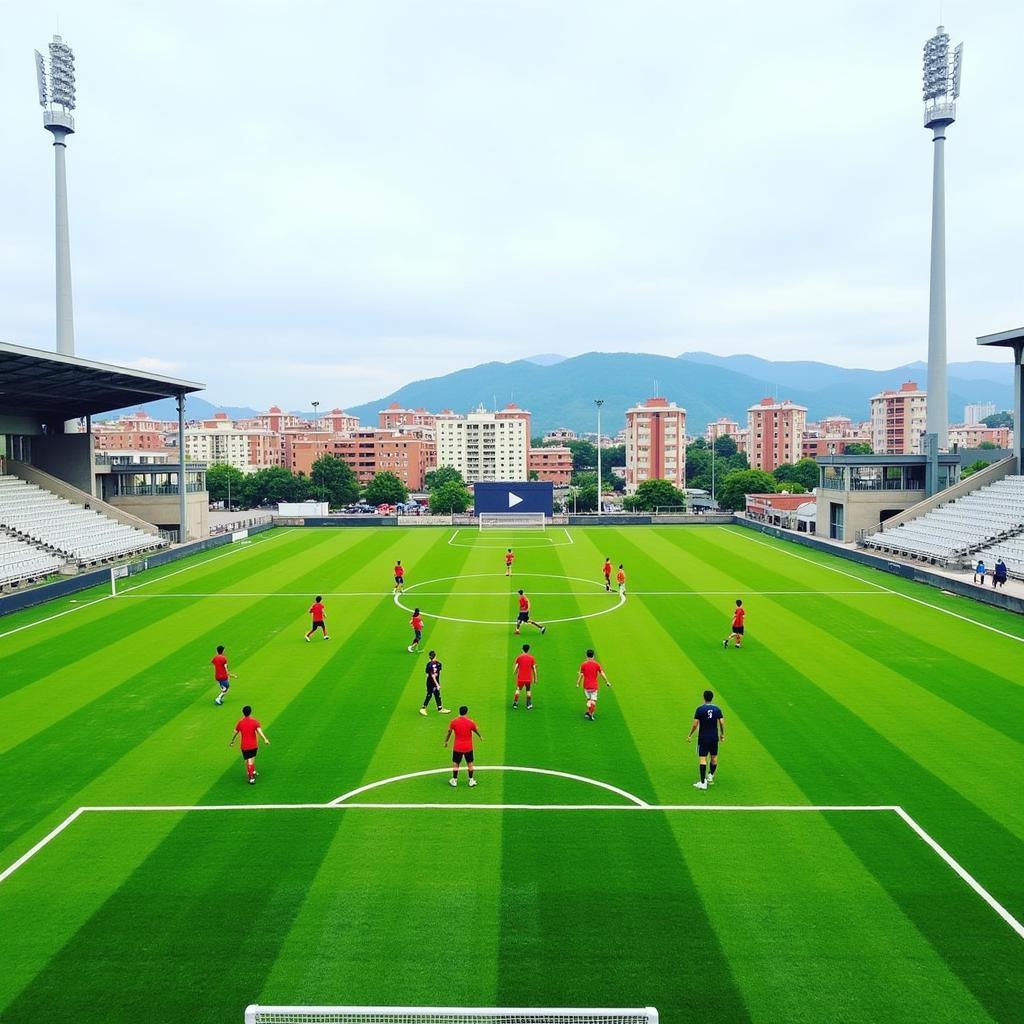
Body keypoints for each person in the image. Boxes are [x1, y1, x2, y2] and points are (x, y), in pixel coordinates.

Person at [686, 689, 725, 790]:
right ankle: (710, 776)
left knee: (703, 758)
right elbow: (721, 722)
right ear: (712, 698)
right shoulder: (717, 709)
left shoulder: (700, 709)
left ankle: (703, 783)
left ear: (704, 698)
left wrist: (690, 734)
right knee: (714, 757)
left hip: (703, 737)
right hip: (714, 737)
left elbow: (695, 724)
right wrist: (722, 734)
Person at [229, 704, 269, 785]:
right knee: (251, 760)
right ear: (250, 712)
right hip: (253, 745)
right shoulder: (255, 722)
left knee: (248, 760)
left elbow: (235, 733)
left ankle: (251, 774)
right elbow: (260, 732)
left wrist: (232, 741)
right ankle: (252, 775)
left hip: (244, 746)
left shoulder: (240, 722)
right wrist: (265, 739)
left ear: (243, 713)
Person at [444, 705, 481, 787]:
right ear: (466, 712)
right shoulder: (471, 722)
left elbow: (449, 731)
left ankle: (454, 780)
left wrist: (446, 741)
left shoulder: (454, 722)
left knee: (456, 763)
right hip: (468, 747)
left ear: (459, 712)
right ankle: (471, 780)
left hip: (458, 747)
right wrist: (480, 736)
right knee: (470, 763)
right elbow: (475, 729)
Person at [576, 648, 612, 720]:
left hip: (586, 686)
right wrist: (607, 682)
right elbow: (602, 674)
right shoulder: (596, 664)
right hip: (594, 686)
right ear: (593, 656)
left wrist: (577, 683)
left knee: (589, 699)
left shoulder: (583, 664)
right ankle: (591, 714)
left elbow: (581, 675)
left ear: (586, 655)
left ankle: (588, 712)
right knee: (593, 702)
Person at [420, 650, 451, 716]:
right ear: (435, 656)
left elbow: (428, 675)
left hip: (429, 682)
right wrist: (437, 684)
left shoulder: (429, 664)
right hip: (434, 682)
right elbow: (436, 675)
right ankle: (423, 708)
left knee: (433, 694)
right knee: (432, 694)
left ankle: (439, 708)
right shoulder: (439, 663)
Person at [512, 643, 537, 709]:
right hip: (528, 678)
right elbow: (534, 669)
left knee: (518, 690)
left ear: (522, 649)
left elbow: (516, 666)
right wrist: (535, 678)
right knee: (528, 690)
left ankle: (515, 703)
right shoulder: (532, 658)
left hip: (520, 678)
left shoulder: (519, 657)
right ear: (528, 650)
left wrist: (514, 672)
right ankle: (529, 704)